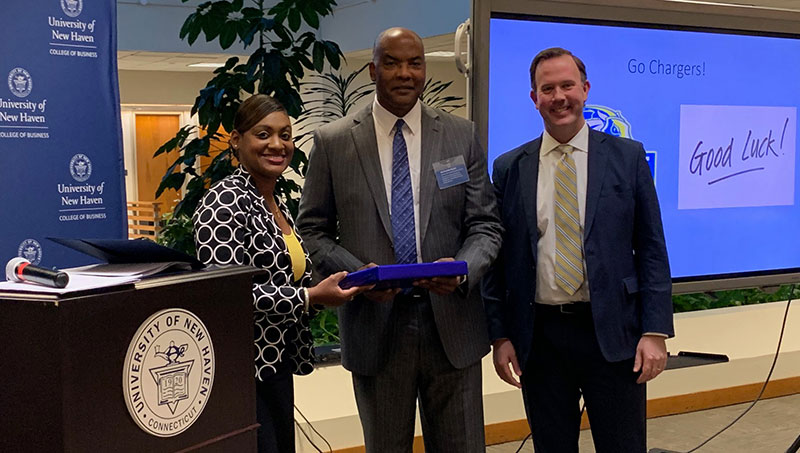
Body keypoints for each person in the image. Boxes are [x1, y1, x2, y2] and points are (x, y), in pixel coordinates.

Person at [296, 27, 503, 452]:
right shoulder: (335, 142)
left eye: (415, 63)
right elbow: (312, 230)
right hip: (376, 329)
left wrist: (463, 270)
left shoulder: (460, 135)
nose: (404, 73)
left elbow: (485, 224)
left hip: (452, 326)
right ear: (374, 71)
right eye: (392, 63)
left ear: (424, 69)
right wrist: (358, 277)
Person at [482, 47, 674, 453]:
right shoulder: (510, 167)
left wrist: (655, 331)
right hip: (540, 339)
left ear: (585, 89)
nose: (559, 97)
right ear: (534, 98)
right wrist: (500, 336)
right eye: (547, 88)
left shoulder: (628, 157)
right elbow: (498, 261)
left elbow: (652, 249)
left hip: (614, 334)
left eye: (567, 86)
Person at [193, 94, 366, 453]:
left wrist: (340, 286)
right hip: (242, 370)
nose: (277, 144)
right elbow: (228, 295)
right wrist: (309, 296)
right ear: (236, 140)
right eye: (263, 134)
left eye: (285, 135)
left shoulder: (276, 203)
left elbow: (289, 283)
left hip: (277, 362)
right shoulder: (223, 203)